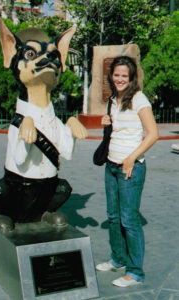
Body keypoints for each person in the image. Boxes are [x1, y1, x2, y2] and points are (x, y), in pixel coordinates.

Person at [96, 55, 159, 287]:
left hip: (130, 167)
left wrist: (131, 158)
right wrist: (107, 121)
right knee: (113, 217)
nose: (120, 79)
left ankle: (135, 272)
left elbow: (153, 134)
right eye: (117, 74)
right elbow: (121, 128)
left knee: (129, 220)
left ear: (131, 77)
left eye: (125, 75)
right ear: (111, 76)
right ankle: (118, 259)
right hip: (112, 165)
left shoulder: (139, 99)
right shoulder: (114, 98)